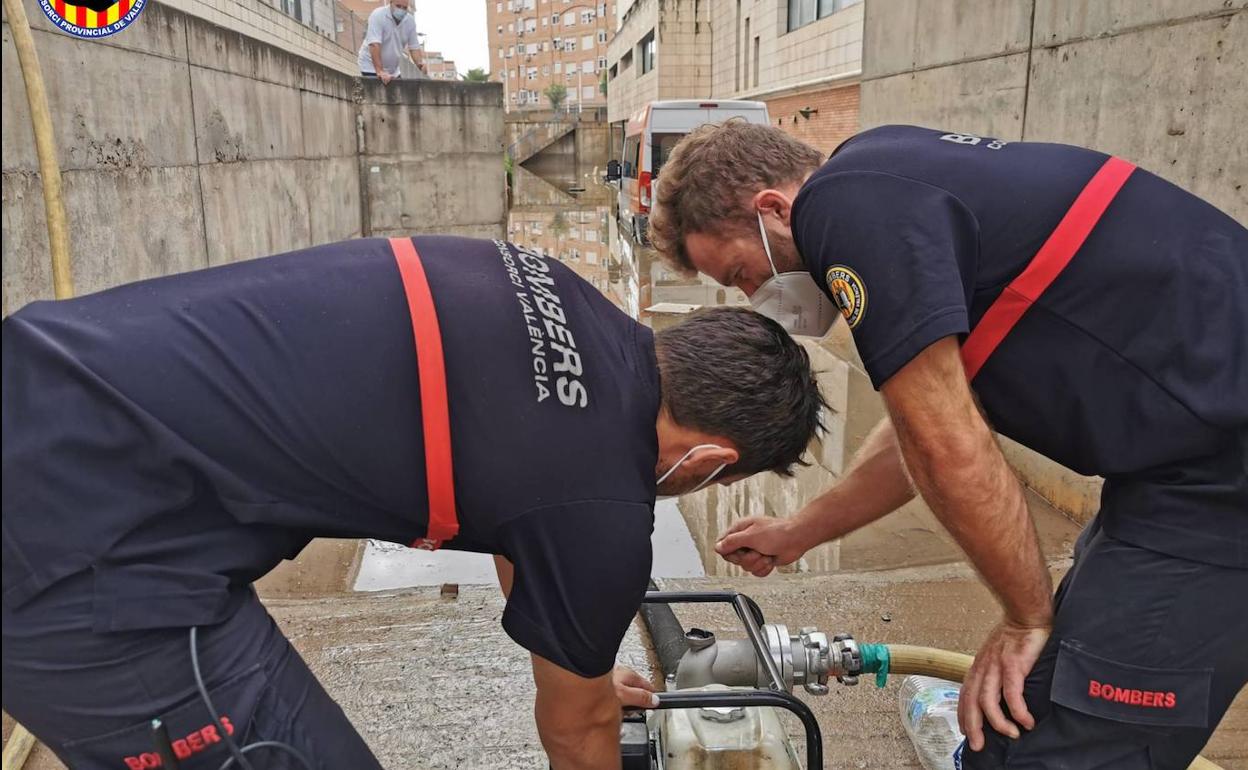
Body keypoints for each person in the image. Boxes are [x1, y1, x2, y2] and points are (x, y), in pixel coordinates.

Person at [1, 235, 824, 770]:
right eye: (716, 477)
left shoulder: (553, 285)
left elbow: (524, 531)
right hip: (86, 553)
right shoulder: (602, 504)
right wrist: (590, 703)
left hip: (42, 385)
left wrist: (590, 663)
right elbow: (578, 736)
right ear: (710, 460)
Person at [648, 121, 1248, 769]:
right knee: (1028, 712)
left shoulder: (846, 209)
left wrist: (1022, 618)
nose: (754, 298)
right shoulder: (891, 173)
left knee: (1052, 748)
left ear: (773, 209)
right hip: (1183, 476)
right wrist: (800, 532)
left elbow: (946, 445)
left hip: (1219, 482)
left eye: (743, 272)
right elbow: (921, 427)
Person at [357, 0, 422, 84]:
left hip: (393, 70)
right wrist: (380, 71)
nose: (401, 10)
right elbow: (374, 44)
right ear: (391, 3)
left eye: (404, 8)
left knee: (398, 94)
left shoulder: (410, 21)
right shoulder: (378, 15)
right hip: (371, 66)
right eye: (398, 6)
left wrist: (420, 64)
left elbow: (414, 47)